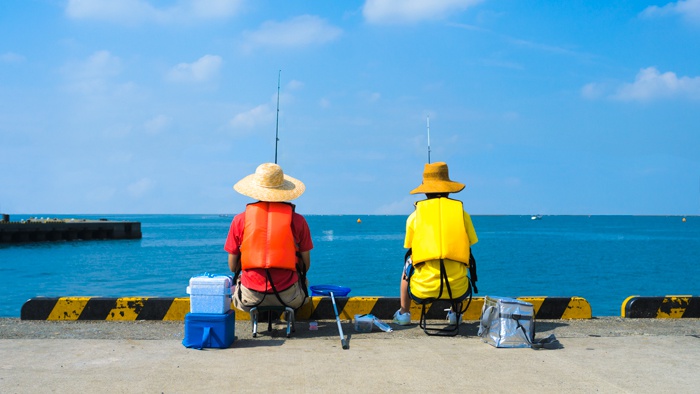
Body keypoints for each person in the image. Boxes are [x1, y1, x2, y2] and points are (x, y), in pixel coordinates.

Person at [393, 161, 478, 326]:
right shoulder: (462, 213)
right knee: (459, 258)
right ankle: (455, 314)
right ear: (448, 188)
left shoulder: (414, 216)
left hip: (422, 289)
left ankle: (404, 314)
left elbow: (412, 248)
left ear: (425, 192)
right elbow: (469, 244)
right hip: (458, 288)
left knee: (408, 264)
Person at [224, 162, 313, 312]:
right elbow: (306, 265)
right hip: (289, 298)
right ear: (284, 191)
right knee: (304, 279)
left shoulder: (239, 220)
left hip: (249, 298)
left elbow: (233, 267)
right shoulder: (298, 220)